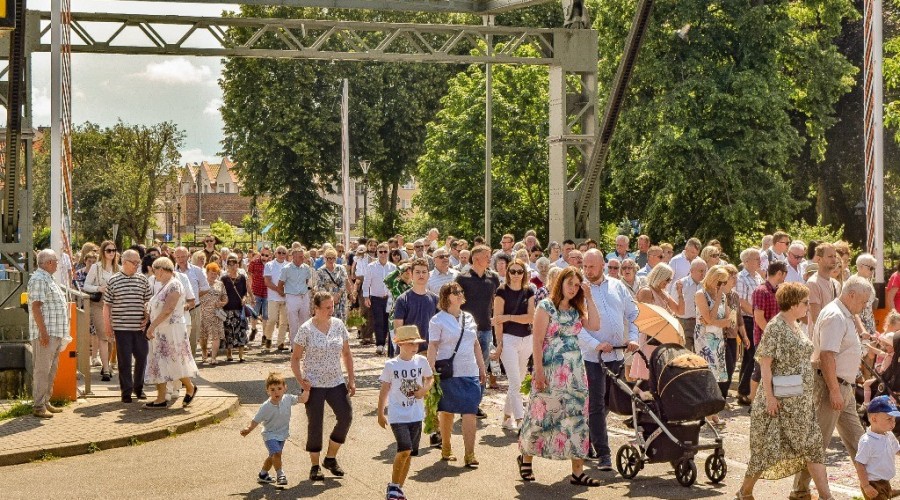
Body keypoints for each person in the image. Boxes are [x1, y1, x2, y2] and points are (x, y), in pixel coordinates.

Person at [736, 282, 833, 500]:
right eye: (805, 302)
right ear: (792, 304)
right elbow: (765, 364)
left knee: (813, 446)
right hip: (781, 400)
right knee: (767, 451)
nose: (808, 306)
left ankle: (828, 497)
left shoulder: (796, 325)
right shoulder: (776, 326)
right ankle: (745, 491)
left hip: (800, 401)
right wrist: (770, 398)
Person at [518, 267, 602, 487]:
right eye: (570, 284)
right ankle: (526, 458)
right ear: (561, 283)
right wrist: (538, 371)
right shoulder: (545, 306)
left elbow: (595, 325)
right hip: (549, 370)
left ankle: (577, 472)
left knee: (576, 419)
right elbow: (537, 341)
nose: (573, 289)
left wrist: (589, 297)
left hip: (574, 373)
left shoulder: (576, 309)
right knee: (542, 415)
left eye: (577, 285)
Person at [790, 276, 872, 499]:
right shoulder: (835, 315)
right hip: (831, 386)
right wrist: (834, 390)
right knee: (819, 441)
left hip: (842, 387)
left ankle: (874, 485)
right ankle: (799, 490)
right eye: (863, 301)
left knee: (859, 439)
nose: (864, 306)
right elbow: (827, 355)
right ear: (851, 294)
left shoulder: (844, 313)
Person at [578, 249, 639, 469]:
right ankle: (604, 454)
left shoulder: (617, 285)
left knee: (608, 402)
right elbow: (577, 328)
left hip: (617, 353)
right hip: (593, 357)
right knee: (595, 404)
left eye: (591, 266)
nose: (587, 271)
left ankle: (587, 438)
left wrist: (632, 338)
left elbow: (633, 314)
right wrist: (596, 345)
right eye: (584, 266)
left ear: (603, 265)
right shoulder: (579, 290)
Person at [291, 291, 356, 482]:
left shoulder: (338, 325)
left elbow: (346, 353)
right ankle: (314, 465)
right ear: (316, 309)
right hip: (315, 383)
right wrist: (301, 381)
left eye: (332, 306)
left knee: (346, 417)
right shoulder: (306, 329)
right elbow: (295, 359)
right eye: (327, 307)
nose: (331, 310)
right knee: (315, 424)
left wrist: (351, 379)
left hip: (336, 380)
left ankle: (330, 458)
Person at [427, 282, 487, 467]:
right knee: (447, 412)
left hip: (470, 371)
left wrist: (482, 368)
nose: (460, 294)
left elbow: (476, 344)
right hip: (447, 373)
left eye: (461, 291)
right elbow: (433, 346)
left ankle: (470, 454)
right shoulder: (437, 320)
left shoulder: (468, 317)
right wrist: (430, 373)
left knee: (470, 412)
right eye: (456, 292)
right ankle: (446, 448)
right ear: (446, 296)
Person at [377, 325, 434, 500]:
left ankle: (398, 489)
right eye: (410, 343)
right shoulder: (391, 365)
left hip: (416, 414)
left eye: (416, 343)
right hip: (397, 415)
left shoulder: (421, 361)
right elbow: (384, 389)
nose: (414, 347)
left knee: (409, 453)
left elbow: (430, 378)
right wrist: (380, 412)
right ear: (399, 344)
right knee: (404, 449)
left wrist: (424, 390)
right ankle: (393, 486)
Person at [142, 257, 200, 409]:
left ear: (161, 270)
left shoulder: (174, 285)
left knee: (174, 362)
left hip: (171, 331)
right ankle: (160, 398)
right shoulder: (164, 285)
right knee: (159, 363)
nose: (154, 275)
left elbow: (168, 309)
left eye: (155, 271)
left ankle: (190, 387)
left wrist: (151, 326)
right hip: (161, 331)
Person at [454, 245, 500, 419]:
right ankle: (464, 402)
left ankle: (476, 404)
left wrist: (497, 317)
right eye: (487, 256)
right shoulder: (462, 278)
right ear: (476, 258)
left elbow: (497, 301)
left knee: (482, 367)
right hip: (466, 330)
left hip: (486, 329)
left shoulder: (493, 278)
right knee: (465, 366)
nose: (490, 259)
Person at [241, 372, 310, 486]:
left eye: (279, 388)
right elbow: (256, 420)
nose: (276, 392)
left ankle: (263, 475)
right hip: (269, 434)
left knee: (273, 456)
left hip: (282, 434)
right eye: (272, 389)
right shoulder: (265, 406)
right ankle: (280, 475)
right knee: (277, 454)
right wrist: (248, 429)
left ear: (284, 388)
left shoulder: (288, 399)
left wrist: (307, 389)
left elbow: (303, 399)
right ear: (267, 391)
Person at [491, 258, 536, 431]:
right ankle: (520, 419)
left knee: (517, 380)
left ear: (524, 274)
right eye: (513, 271)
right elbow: (497, 320)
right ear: (508, 272)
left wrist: (509, 317)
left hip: (527, 339)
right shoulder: (501, 291)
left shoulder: (529, 291)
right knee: (515, 381)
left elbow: (530, 317)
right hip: (508, 339)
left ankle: (506, 416)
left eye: (519, 271)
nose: (516, 275)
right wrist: (500, 343)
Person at [28, 249, 72, 418]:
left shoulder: (48, 278)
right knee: (42, 370)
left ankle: (45, 401)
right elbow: (36, 306)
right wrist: (43, 332)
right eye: (55, 261)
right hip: (46, 333)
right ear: (47, 263)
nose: (57, 264)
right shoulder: (39, 279)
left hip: (54, 333)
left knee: (51, 370)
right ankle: (38, 406)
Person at [104, 249, 152, 403]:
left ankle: (139, 387)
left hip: (139, 328)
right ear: (124, 262)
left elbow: (148, 303)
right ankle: (126, 391)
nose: (138, 265)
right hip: (121, 328)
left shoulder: (143, 280)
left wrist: (147, 318)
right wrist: (107, 326)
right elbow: (107, 306)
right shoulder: (113, 280)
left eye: (139, 262)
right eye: (135, 262)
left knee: (142, 357)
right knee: (124, 361)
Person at [694, 265, 732, 410]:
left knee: (717, 374)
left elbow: (728, 321)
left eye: (724, 282)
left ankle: (711, 409)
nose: (721, 285)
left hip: (718, 338)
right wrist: (716, 301)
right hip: (704, 339)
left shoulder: (723, 296)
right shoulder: (700, 294)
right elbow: (709, 318)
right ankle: (707, 408)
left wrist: (714, 322)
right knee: (707, 372)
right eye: (719, 282)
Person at [84, 240, 119, 381]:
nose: (111, 253)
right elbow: (86, 285)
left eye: (113, 250)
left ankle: (109, 364)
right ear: (103, 252)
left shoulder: (119, 268)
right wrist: (99, 288)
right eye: (108, 250)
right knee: (103, 336)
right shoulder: (96, 268)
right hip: (99, 304)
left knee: (111, 338)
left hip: (115, 306)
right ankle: (105, 368)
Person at [854, 396, 900, 500]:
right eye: (889, 419)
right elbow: (860, 464)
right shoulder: (867, 441)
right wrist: (866, 486)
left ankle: (889, 492)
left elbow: (897, 449)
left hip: (885, 481)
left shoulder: (889, 434)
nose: (893, 423)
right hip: (872, 483)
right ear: (874, 419)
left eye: (894, 419)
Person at [736, 248, 764, 405]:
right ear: (746, 261)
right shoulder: (741, 277)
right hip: (748, 319)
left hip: (756, 319)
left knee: (750, 356)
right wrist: (756, 313)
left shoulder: (758, 277)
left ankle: (744, 390)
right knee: (752, 354)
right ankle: (744, 390)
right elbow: (741, 301)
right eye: (756, 258)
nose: (759, 261)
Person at [393, 259, 439, 353]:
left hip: (429, 350)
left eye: (424, 272)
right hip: (408, 351)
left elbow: (439, 326)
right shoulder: (402, 299)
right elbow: (398, 329)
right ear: (412, 275)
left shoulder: (435, 299)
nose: (421, 275)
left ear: (428, 275)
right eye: (417, 272)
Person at [365, 243, 397, 356]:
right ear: (377, 253)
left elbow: (395, 284)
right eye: (380, 252)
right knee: (378, 321)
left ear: (388, 252)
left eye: (385, 251)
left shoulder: (393, 267)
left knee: (387, 321)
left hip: (389, 299)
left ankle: (387, 344)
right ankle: (380, 344)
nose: (383, 254)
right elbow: (366, 283)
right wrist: (366, 297)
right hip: (376, 298)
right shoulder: (371, 267)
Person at [280, 247, 313, 351]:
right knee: (293, 323)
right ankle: (294, 347)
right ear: (293, 257)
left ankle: (304, 344)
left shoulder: (306, 268)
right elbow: (280, 283)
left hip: (304, 296)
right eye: (300, 256)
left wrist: (305, 290)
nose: (302, 258)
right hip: (291, 297)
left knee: (305, 322)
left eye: (303, 256)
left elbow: (308, 281)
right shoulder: (286, 269)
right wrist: (286, 295)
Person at [673, 258, 707, 353]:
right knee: (685, 353)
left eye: (705, 271)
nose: (703, 274)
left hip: (700, 323)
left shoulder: (705, 286)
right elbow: (673, 303)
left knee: (699, 353)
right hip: (684, 322)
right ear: (691, 271)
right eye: (701, 271)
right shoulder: (680, 284)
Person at [222, 254, 250, 362]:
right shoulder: (224, 278)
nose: (232, 267)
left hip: (239, 309)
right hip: (228, 308)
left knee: (241, 331)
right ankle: (229, 353)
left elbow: (245, 292)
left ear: (238, 265)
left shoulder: (242, 278)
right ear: (227, 266)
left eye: (235, 264)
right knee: (228, 331)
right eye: (230, 265)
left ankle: (241, 354)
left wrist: (244, 299)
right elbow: (222, 293)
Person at [806, 242, 841, 331]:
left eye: (835, 256)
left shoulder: (836, 284)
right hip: (821, 337)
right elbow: (816, 318)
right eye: (830, 257)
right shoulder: (813, 283)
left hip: (835, 334)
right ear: (818, 259)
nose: (834, 260)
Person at [199, 263, 227, 364]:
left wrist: (222, 303)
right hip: (203, 314)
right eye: (211, 273)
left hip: (216, 315)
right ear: (207, 273)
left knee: (216, 336)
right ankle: (204, 352)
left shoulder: (220, 284)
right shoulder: (201, 284)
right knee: (203, 337)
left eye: (215, 274)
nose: (213, 275)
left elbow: (225, 297)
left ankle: (214, 357)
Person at [264, 246, 289, 350]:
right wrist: (278, 290)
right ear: (275, 253)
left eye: (284, 253)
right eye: (279, 252)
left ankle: (280, 342)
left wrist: (285, 291)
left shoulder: (288, 265)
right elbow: (267, 281)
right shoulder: (269, 265)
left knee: (284, 321)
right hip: (273, 297)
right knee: (272, 319)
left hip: (285, 297)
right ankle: (268, 337)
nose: (281, 255)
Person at [316, 248, 348, 321]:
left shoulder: (341, 268)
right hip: (327, 298)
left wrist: (338, 295)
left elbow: (343, 283)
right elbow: (320, 286)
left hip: (341, 297)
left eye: (333, 258)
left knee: (341, 320)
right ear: (325, 258)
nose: (331, 260)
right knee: (328, 319)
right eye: (329, 258)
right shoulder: (320, 271)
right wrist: (331, 297)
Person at [247, 246, 270, 341]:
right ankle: (253, 329)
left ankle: (264, 335)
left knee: (265, 315)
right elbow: (250, 277)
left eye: (266, 255)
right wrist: (250, 292)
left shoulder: (271, 264)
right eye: (263, 254)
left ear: (269, 255)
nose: (264, 257)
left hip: (267, 293)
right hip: (256, 291)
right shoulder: (254, 263)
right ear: (260, 253)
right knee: (254, 313)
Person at [855, 253, 880, 339]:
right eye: (871, 268)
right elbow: (854, 311)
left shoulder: (867, 281)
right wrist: (862, 330)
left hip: (869, 324)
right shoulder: (855, 283)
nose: (872, 271)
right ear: (861, 266)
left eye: (874, 268)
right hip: (859, 327)